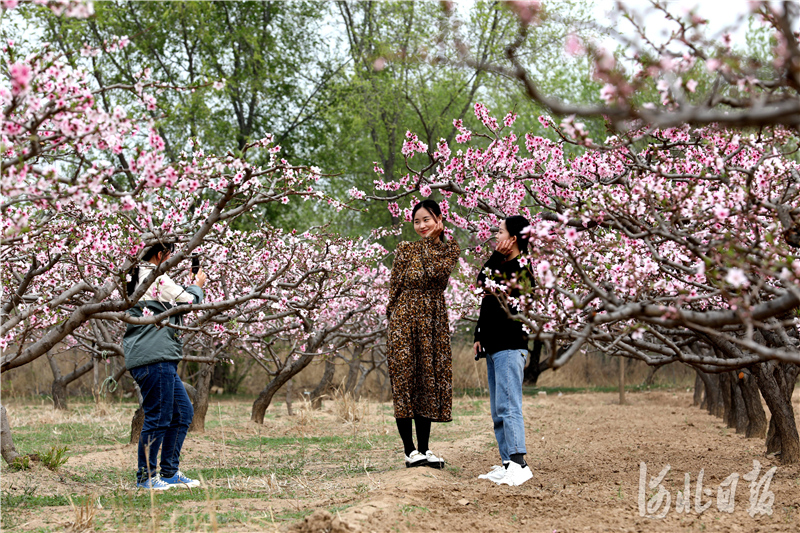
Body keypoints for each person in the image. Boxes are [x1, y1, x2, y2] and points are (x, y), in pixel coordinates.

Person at [123, 242, 207, 490]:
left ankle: (169, 472)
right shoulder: (153, 276)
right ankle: (146, 478)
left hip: (159, 358)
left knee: (182, 413)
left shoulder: (140, 276)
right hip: (154, 359)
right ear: (161, 255)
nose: (171, 261)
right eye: (170, 256)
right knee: (158, 417)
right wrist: (197, 285)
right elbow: (189, 301)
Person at [386, 199, 460, 468]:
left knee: (426, 381)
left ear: (439, 220)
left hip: (432, 321)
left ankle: (425, 449)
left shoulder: (449, 250)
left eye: (426, 219)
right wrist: (393, 318)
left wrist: (431, 243)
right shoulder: (405, 249)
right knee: (405, 381)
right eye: (416, 221)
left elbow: (437, 276)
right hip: (404, 320)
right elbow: (394, 287)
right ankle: (410, 451)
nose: (421, 226)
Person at [473, 215, 534, 486]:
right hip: (493, 345)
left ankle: (520, 463)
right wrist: (478, 333)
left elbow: (516, 309)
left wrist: (497, 259)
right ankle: (507, 462)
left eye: (500, 233)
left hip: (510, 345)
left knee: (509, 405)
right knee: (499, 409)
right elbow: (482, 288)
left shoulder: (522, 269)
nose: (496, 237)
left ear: (514, 238)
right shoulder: (500, 265)